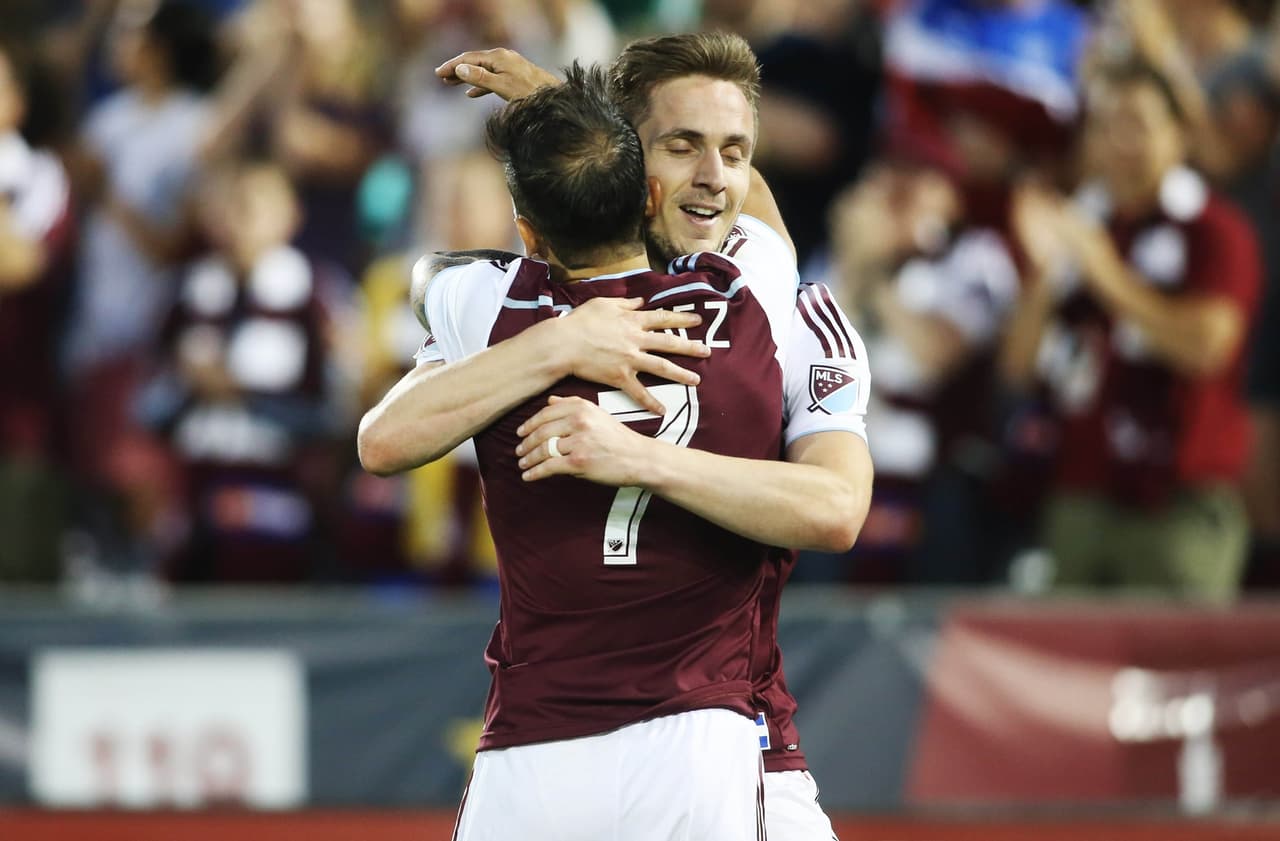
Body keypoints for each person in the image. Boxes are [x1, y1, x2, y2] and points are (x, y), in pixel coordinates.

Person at [359, 64, 870, 839]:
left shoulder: (491, 303)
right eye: (683, 147)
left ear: (527, 230)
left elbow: (389, 418)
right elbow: (758, 213)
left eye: (732, 151)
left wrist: (561, 344)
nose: (714, 176)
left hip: (537, 748)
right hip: (702, 735)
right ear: (647, 188)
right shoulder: (752, 301)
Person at [1004, 59, 1261, 601]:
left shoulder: (1215, 230)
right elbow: (1018, 367)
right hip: (1081, 490)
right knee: (1068, 670)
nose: (1120, 142)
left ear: (1179, 133)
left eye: (1138, 123)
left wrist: (1106, 275)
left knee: (1177, 677)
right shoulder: (1083, 224)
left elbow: (1206, 347)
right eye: (1105, 124)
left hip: (1176, 501)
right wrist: (1044, 277)